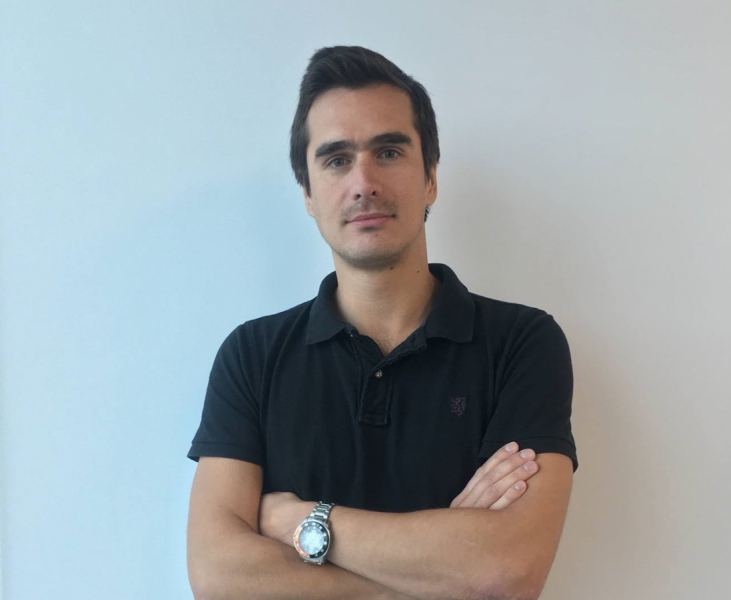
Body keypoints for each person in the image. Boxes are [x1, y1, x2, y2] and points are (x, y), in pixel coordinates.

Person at [187, 45, 577, 600]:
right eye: (336, 159)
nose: (363, 182)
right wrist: (443, 578)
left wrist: (298, 520)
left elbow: (508, 571)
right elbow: (219, 577)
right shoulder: (252, 354)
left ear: (431, 178)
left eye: (389, 152)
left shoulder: (522, 343)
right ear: (308, 193)